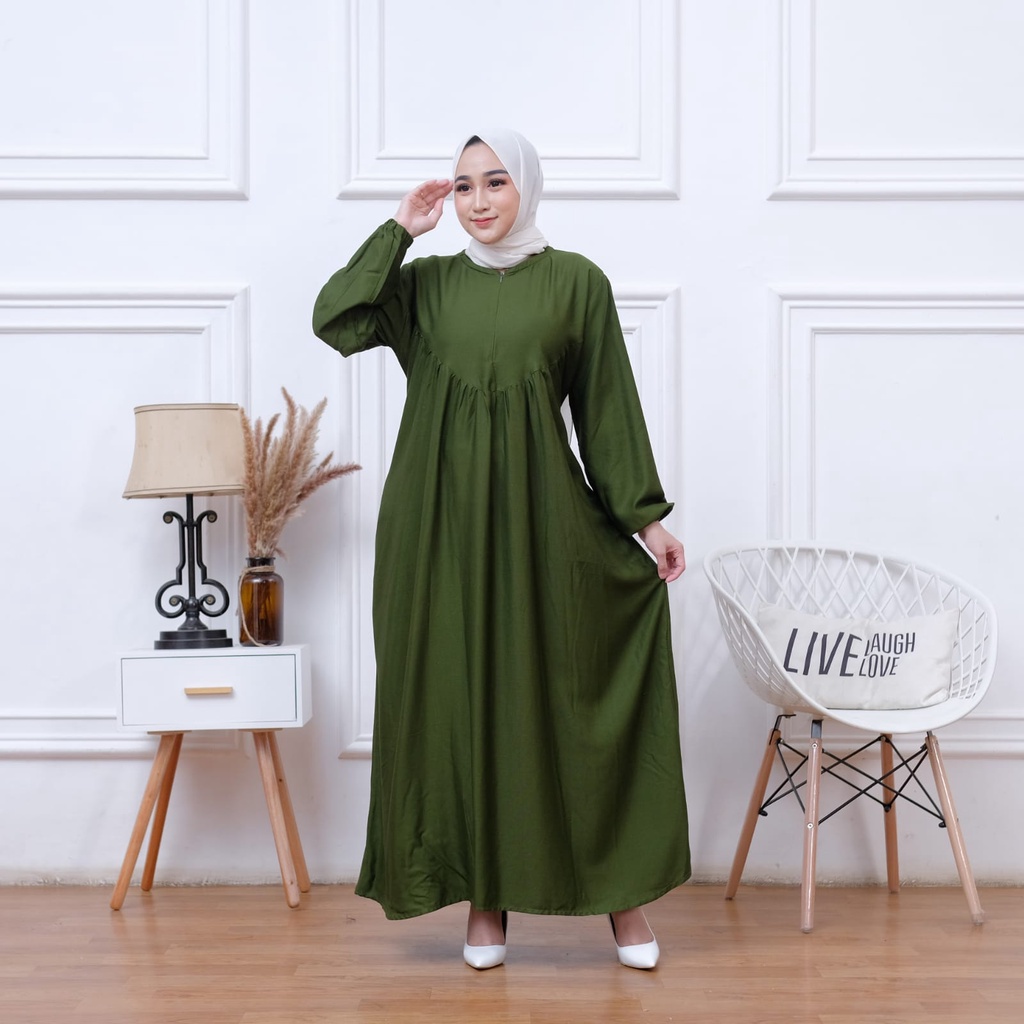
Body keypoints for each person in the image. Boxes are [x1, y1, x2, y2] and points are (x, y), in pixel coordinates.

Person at [312, 129, 689, 970]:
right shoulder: (424, 286)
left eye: (495, 182)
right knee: (457, 704)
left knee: (561, 700)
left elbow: (607, 410)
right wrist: (399, 231)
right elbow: (336, 318)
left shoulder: (576, 282)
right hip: (433, 529)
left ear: (526, 187)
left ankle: (622, 901)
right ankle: (485, 903)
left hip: (541, 522)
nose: (478, 201)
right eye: (463, 186)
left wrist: (645, 521)